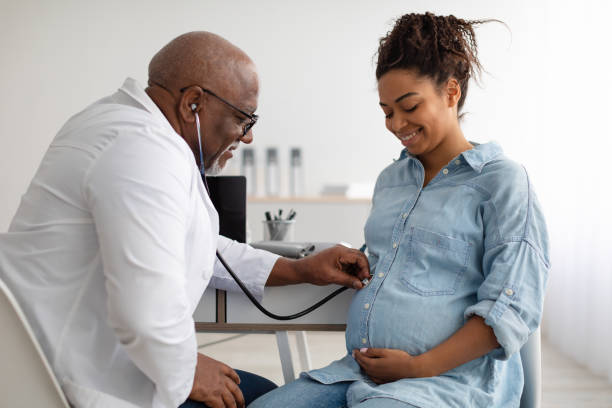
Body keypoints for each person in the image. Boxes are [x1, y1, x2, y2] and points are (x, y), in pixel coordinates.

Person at [0, 32, 370, 408]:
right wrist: (187, 368)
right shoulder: (142, 151)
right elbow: (145, 312)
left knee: (259, 391)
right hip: (75, 380)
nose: (247, 138)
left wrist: (301, 269)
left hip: (72, 357)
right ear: (193, 103)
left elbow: (201, 247)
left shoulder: (130, 130)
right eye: (243, 119)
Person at [250, 12, 550, 408]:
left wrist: (418, 366)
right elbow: (405, 268)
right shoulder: (392, 181)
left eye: (409, 106)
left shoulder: (503, 183)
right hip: (356, 375)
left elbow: (511, 309)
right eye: (387, 111)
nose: (396, 123)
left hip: (449, 386)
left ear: (451, 92)